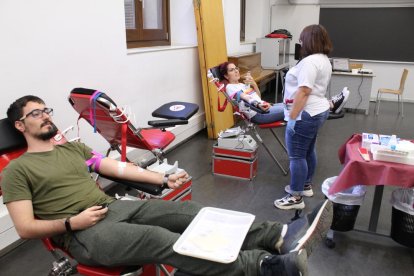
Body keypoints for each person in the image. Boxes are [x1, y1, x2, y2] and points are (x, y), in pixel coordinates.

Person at [1, 95, 333, 276]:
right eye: (36, 113)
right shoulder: (18, 171)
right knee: (161, 239)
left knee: (189, 212)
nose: (46, 115)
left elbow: (116, 167)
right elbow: (26, 227)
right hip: (83, 233)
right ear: (20, 125)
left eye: (46, 109)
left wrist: (162, 178)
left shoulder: (74, 149)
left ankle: (275, 236)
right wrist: (72, 223)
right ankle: (263, 268)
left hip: (115, 209)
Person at [274, 24, 337, 210]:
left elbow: (304, 91)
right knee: (308, 150)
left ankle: (295, 197)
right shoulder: (323, 59)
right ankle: (305, 185)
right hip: (317, 110)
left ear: (308, 41)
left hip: (305, 113)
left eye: (301, 40)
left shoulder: (310, 62)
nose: (300, 43)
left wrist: (293, 117)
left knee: (296, 156)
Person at [218, 62, 349, 125]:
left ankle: (329, 105)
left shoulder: (241, 84)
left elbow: (257, 96)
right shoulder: (230, 87)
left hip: (264, 108)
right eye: (231, 70)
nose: (236, 71)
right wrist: (258, 105)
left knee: (294, 103)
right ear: (225, 75)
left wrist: (253, 84)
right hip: (259, 115)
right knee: (296, 108)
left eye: (236, 68)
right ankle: (329, 106)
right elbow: (245, 97)